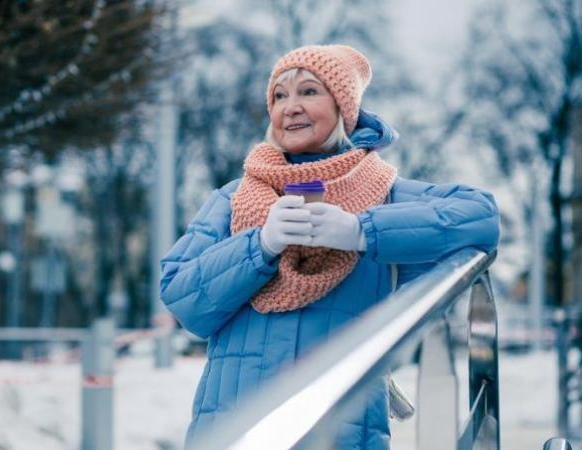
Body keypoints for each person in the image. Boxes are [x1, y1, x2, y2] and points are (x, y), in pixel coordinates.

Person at [160, 45, 500, 449]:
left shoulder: (385, 194)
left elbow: (481, 216)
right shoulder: (233, 199)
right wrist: (261, 244)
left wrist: (361, 231)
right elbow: (182, 299)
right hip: (235, 428)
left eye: (308, 92)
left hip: (340, 431)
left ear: (344, 107)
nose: (291, 107)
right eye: (279, 96)